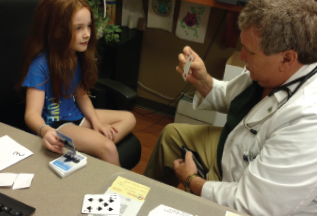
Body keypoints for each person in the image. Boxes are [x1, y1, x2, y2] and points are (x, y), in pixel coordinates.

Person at [144, 0, 317, 215]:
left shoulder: (309, 120)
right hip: (234, 151)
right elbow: (231, 96)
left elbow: (253, 205)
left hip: (255, 200)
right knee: (172, 134)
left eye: (250, 52)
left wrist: (192, 181)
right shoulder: (274, 72)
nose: (242, 57)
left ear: (287, 58)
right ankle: (143, 200)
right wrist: (203, 81)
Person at [16, 0, 136, 167]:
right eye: (79, 28)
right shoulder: (40, 65)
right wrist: (45, 131)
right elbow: (31, 114)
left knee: (129, 118)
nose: (87, 33)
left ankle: (89, 146)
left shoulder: (75, 55)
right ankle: (100, 155)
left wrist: (96, 122)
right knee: (108, 148)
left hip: (75, 116)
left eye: (88, 26)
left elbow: (80, 95)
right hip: (56, 124)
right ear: (58, 31)